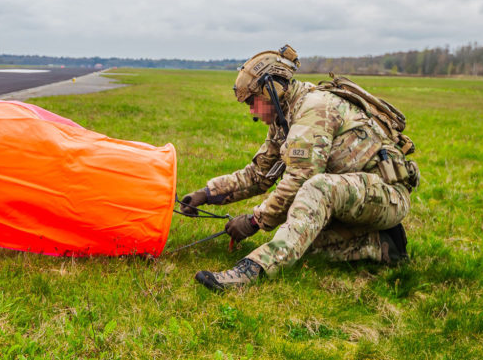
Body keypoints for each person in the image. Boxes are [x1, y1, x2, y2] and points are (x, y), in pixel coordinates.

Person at [179, 45, 419, 290]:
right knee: (302, 239)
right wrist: (206, 194)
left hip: (387, 195)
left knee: (317, 188)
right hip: (355, 196)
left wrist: (253, 222)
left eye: (253, 101)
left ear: (271, 89)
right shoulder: (284, 116)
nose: (252, 111)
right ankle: (383, 245)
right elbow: (258, 173)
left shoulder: (313, 110)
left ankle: (251, 270)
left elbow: (300, 181)